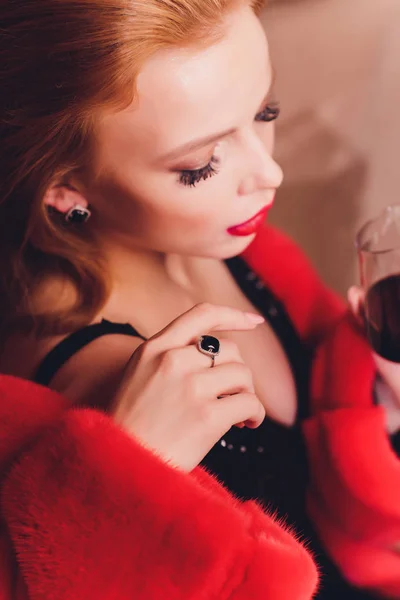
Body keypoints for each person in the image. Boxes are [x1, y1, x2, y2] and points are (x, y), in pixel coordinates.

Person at [0, 0, 399, 598]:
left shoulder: (228, 246)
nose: (270, 173)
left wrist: (377, 404)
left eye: (264, 111)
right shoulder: (90, 383)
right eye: (200, 164)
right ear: (65, 188)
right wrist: (123, 489)